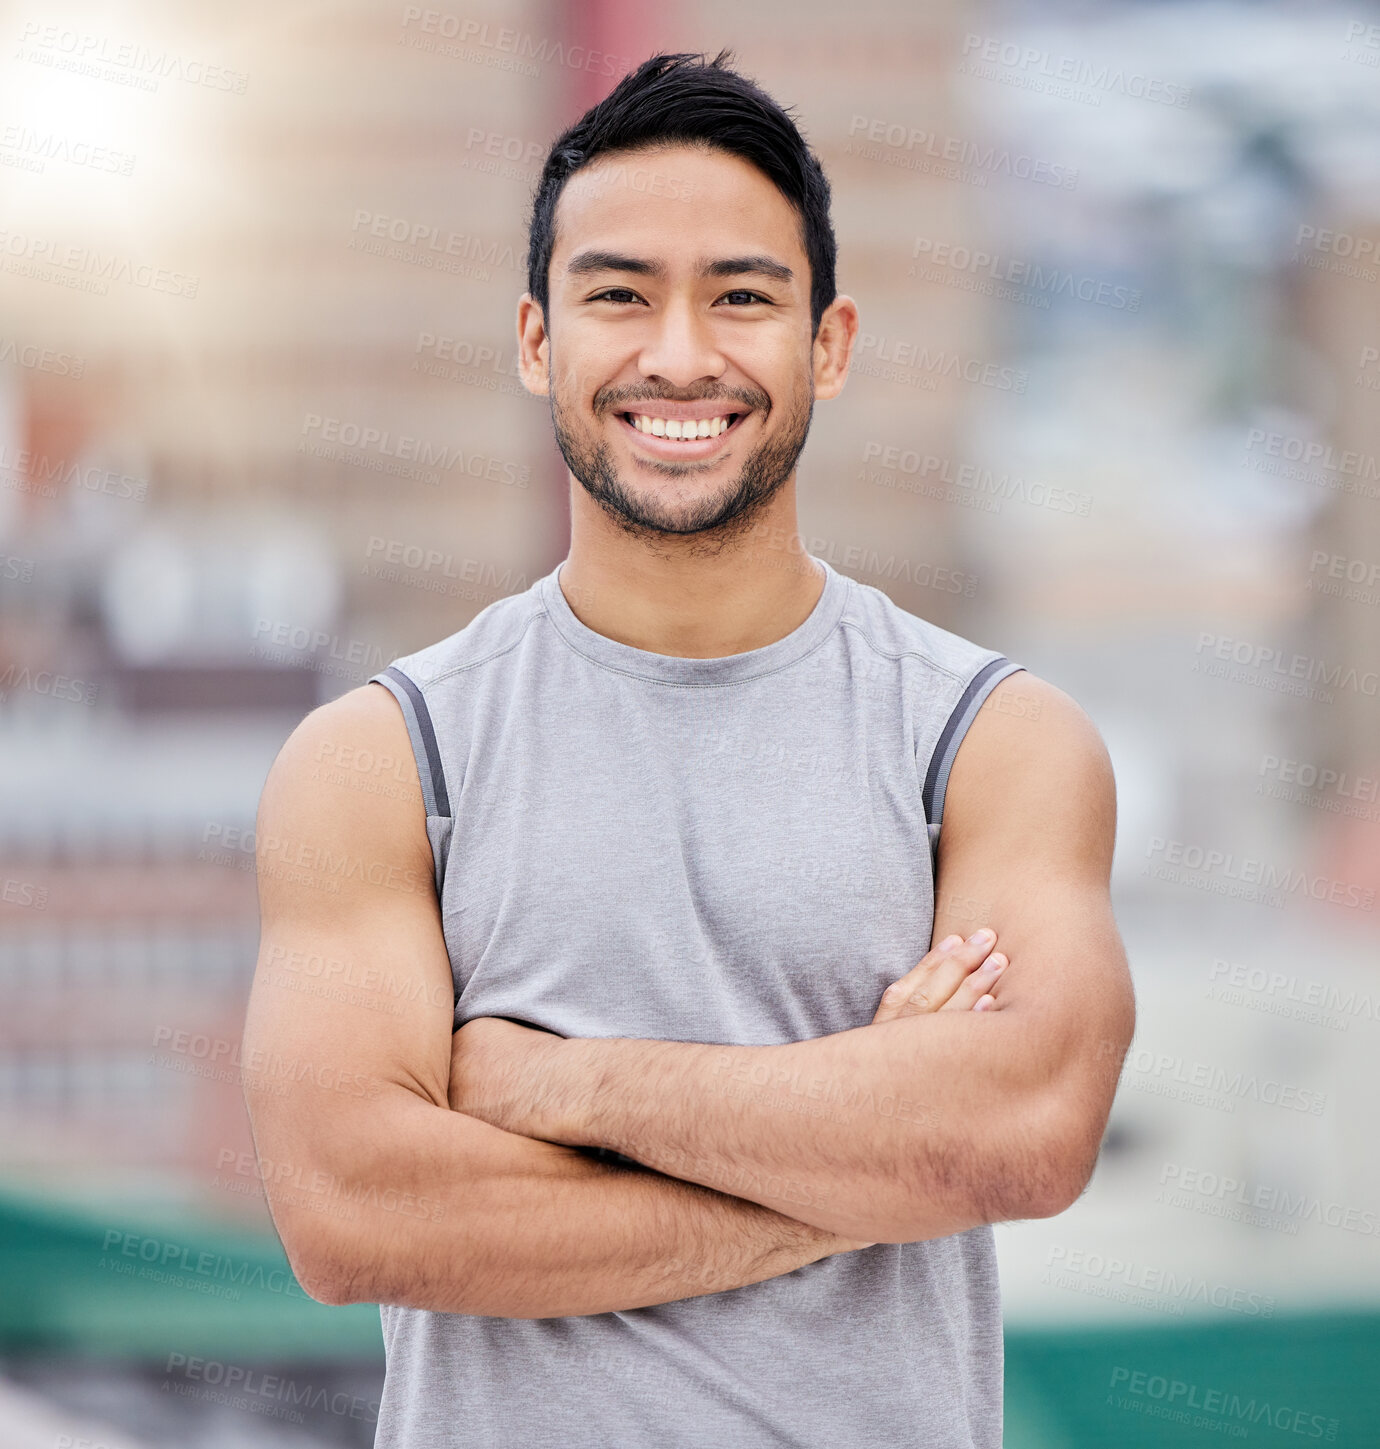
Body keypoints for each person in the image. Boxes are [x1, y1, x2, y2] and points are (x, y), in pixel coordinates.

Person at [242, 49, 1135, 1449]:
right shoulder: (383, 760)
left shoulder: (992, 742)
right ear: (536, 340)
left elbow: (1020, 1132)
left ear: (828, 343)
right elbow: (358, 1214)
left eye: (741, 296)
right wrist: (864, 1156)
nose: (678, 354)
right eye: (618, 295)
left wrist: (552, 1082)